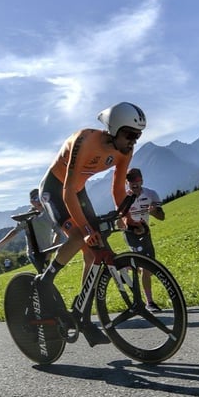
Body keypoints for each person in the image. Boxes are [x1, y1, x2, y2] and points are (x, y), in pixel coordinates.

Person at [33, 101, 145, 346]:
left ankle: (81, 314)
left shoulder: (124, 152)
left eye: (137, 136)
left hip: (78, 191)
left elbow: (117, 189)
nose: (133, 141)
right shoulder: (85, 140)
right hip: (55, 189)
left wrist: (127, 217)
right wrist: (85, 231)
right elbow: (66, 191)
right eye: (129, 135)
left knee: (96, 252)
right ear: (114, 129)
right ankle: (45, 280)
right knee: (79, 236)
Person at [122, 168, 166, 311]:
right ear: (126, 183)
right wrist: (130, 225)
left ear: (142, 180)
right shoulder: (123, 196)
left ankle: (126, 266)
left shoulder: (151, 194)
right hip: (130, 232)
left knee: (149, 268)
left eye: (137, 182)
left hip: (145, 232)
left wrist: (154, 212)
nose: (134, 186)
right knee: (145, 266)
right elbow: (119, 220)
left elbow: (162, 217)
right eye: (131, 183)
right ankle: (150, 302)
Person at [0, 188, 64, 270]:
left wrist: (53, 247)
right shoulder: (27, 217)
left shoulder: (49, 214)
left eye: (41, 197)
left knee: (46, 275)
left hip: (47, 252)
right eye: (36, 198)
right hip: (34, 253)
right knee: (43, 273)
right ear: (32, 202)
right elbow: (15, 231)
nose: (39, 201)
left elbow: (58, 231)